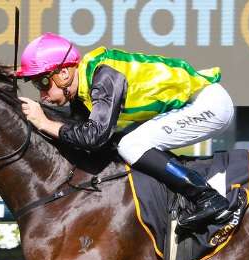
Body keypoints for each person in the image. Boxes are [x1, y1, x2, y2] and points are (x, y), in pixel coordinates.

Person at [17, 32, 235, 230]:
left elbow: (94, 137)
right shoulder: (83, 90)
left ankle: (208, 198)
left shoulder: (104, 76)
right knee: (123, 143)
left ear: (63, 73)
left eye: (42, 83)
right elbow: (79, 136)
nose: (42, 95)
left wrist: (45, 123)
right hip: (189, 105)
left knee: (130, 145)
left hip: (208, 104)